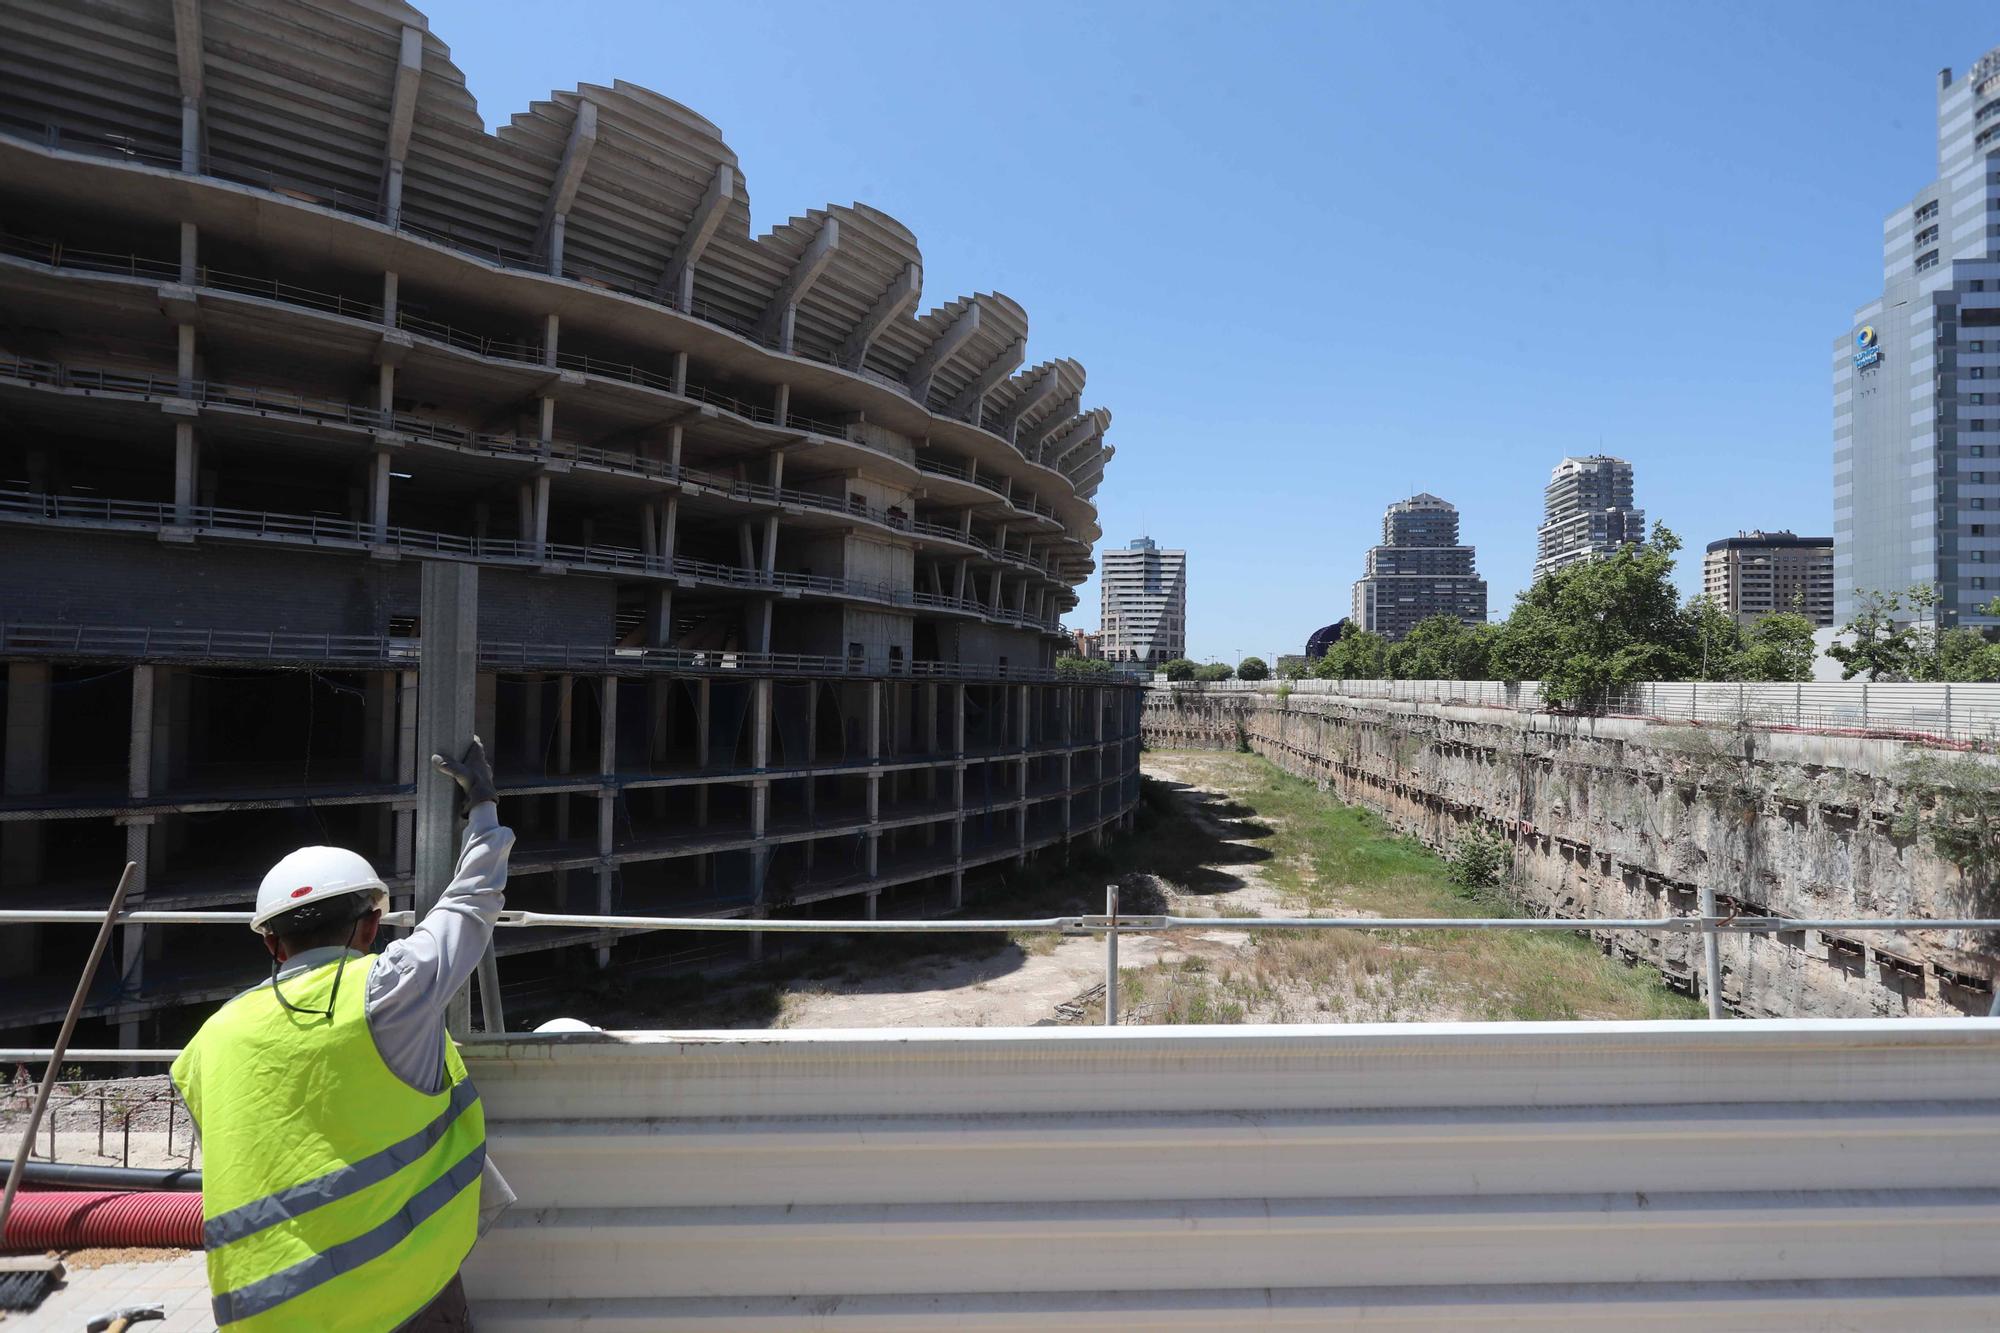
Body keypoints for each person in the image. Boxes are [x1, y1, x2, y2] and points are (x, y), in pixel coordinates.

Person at [171, 737, 516, 1332]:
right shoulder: (388, 991)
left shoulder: (208, 1041)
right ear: (372, 924)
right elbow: (471, 902)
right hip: (398, 1295)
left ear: (271, 943)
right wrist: (482, 810)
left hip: (267, 1316)